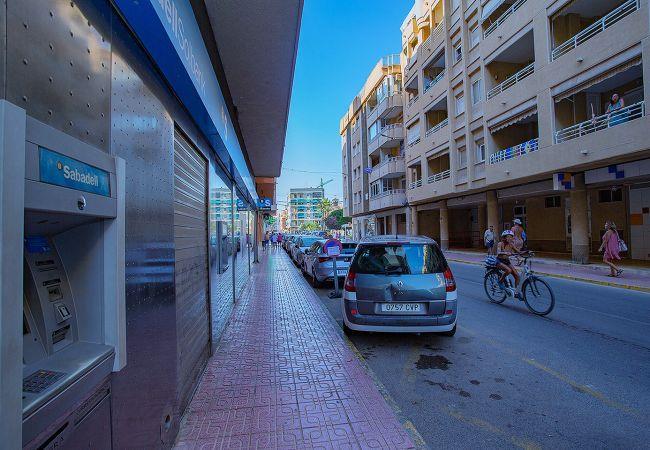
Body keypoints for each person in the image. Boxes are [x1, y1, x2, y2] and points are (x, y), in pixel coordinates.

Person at [496, 230, 521, 297]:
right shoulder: (500, 244)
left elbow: (518, 251)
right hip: (499, 261)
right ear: (504, 237)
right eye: (508, 237)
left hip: (507, 261)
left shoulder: (511, 244)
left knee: (517, 276)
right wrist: (505, 253)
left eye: (511, 237)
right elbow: (498, 252)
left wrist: (526, 252)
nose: (510, 238)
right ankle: (500, 281)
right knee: (509, 270)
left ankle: (516, 292)